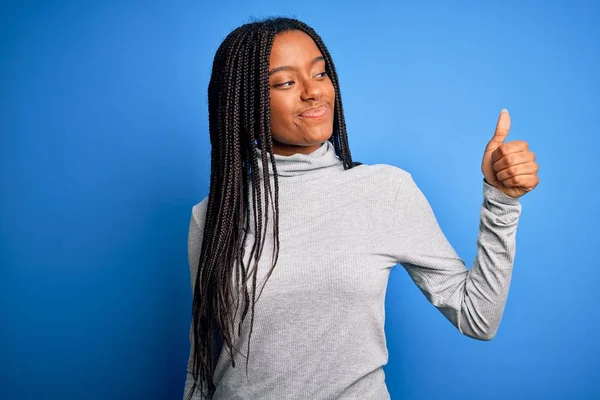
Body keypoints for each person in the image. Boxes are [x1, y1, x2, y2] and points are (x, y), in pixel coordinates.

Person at [183, 17, 540, 400]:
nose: (312, 92)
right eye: (286, 82)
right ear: (245, 102)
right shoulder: (214, 216)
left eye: (320, 74)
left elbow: (478, 317)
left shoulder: (383, 191)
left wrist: (501, 201)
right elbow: (202, 362)